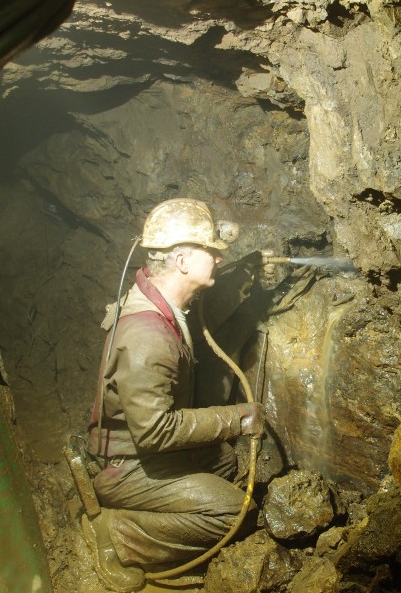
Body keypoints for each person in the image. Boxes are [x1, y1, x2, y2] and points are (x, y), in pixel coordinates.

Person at [82, 198, 264, 592]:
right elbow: (155, 432)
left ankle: (150, 516)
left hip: (140, 450)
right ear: (181, 261)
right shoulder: (148, 335)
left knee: (228, 462)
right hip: (126, 463)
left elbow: (203, 319)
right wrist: (237, 418)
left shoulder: (161, 302)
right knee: (234, 513)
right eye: (210, 253)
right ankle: (116, 534)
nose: (217, 260)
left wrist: (248, 274)